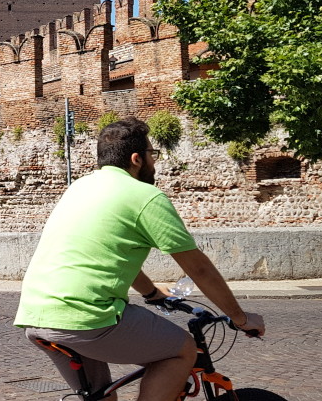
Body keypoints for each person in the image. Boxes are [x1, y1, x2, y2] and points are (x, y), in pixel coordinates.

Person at [14, 117, 265, 401]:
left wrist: (151, 292)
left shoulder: (79, 188)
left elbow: (109, 249)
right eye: (152, 155)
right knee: (182, 349)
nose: (154, 163)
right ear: (136, 159)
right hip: (87, 318)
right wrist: (240, 318)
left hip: (36, 315)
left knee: (101, 396)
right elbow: (198, 268)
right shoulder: (145, 196)